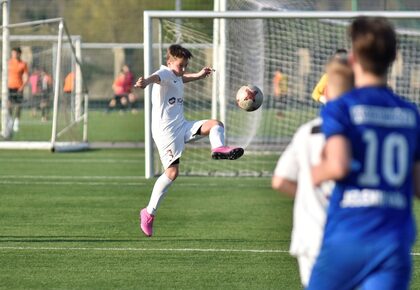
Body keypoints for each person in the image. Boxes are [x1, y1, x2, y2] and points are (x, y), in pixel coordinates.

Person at [308, 17, 420, 290]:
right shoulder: (410, 113)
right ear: (393, 57)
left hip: (349, 234)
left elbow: (338, 165)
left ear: (354, 59)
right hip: (393, 241)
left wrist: (310, 174)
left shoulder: (341, 108)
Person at [135, 44, 244, 237]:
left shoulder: (175, 75)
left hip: (182, 126)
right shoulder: (164, 72)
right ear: (169, 62)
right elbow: (158, 77)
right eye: (180, 65)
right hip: (166, 132)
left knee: (215, 124)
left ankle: (219, 148)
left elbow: (180, 78)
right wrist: (146, 83)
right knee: (172, 173)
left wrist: (199, 75)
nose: (183, 69)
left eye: (186, 65)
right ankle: (148, 213)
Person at [272, 52, 353, 287]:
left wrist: (309, 192)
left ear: (330, 91)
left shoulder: (306, 132)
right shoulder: (365, 130)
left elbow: (279, 181)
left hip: (310, 237)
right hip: (354, 234)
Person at [8, 47, 29, 132]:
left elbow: (26, 77)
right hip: (9, 87)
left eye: (15, 53)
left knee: (18, 106)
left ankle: (16, 123)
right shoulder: (8, 62)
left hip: (19, 88)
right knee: (8, 105)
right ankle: (9, 122)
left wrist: (23, 86)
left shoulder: (23, 64)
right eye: (12, 53)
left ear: (19, 54)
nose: (13, 55)